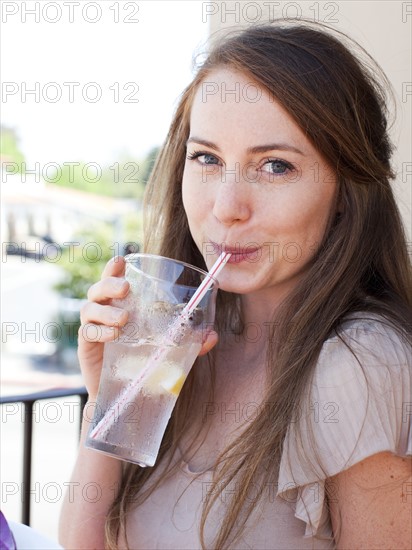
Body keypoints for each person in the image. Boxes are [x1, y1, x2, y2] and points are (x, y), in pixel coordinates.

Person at [59, 20, 412, 550]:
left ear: (346, 190)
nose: (226, 208)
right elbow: (81, 544)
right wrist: (113, 404)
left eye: (274, 166)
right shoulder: (183, 344)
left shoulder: (358, 363)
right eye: (207, 158)